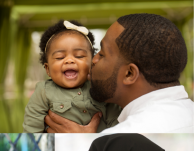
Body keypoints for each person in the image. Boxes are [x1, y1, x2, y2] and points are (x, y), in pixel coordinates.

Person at [45, 14, 194, 133]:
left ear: (129, 74)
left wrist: (84, 145)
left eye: (102, 54)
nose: (93, 61)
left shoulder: (121, 137)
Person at [23, 20, 121, 133]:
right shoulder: (43, 92)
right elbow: (32, 127)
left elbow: (117, 124)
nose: (69, 60)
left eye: (79, 56)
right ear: (48, 69)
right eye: (60, 57)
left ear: (92, 63)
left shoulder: (100, 88)